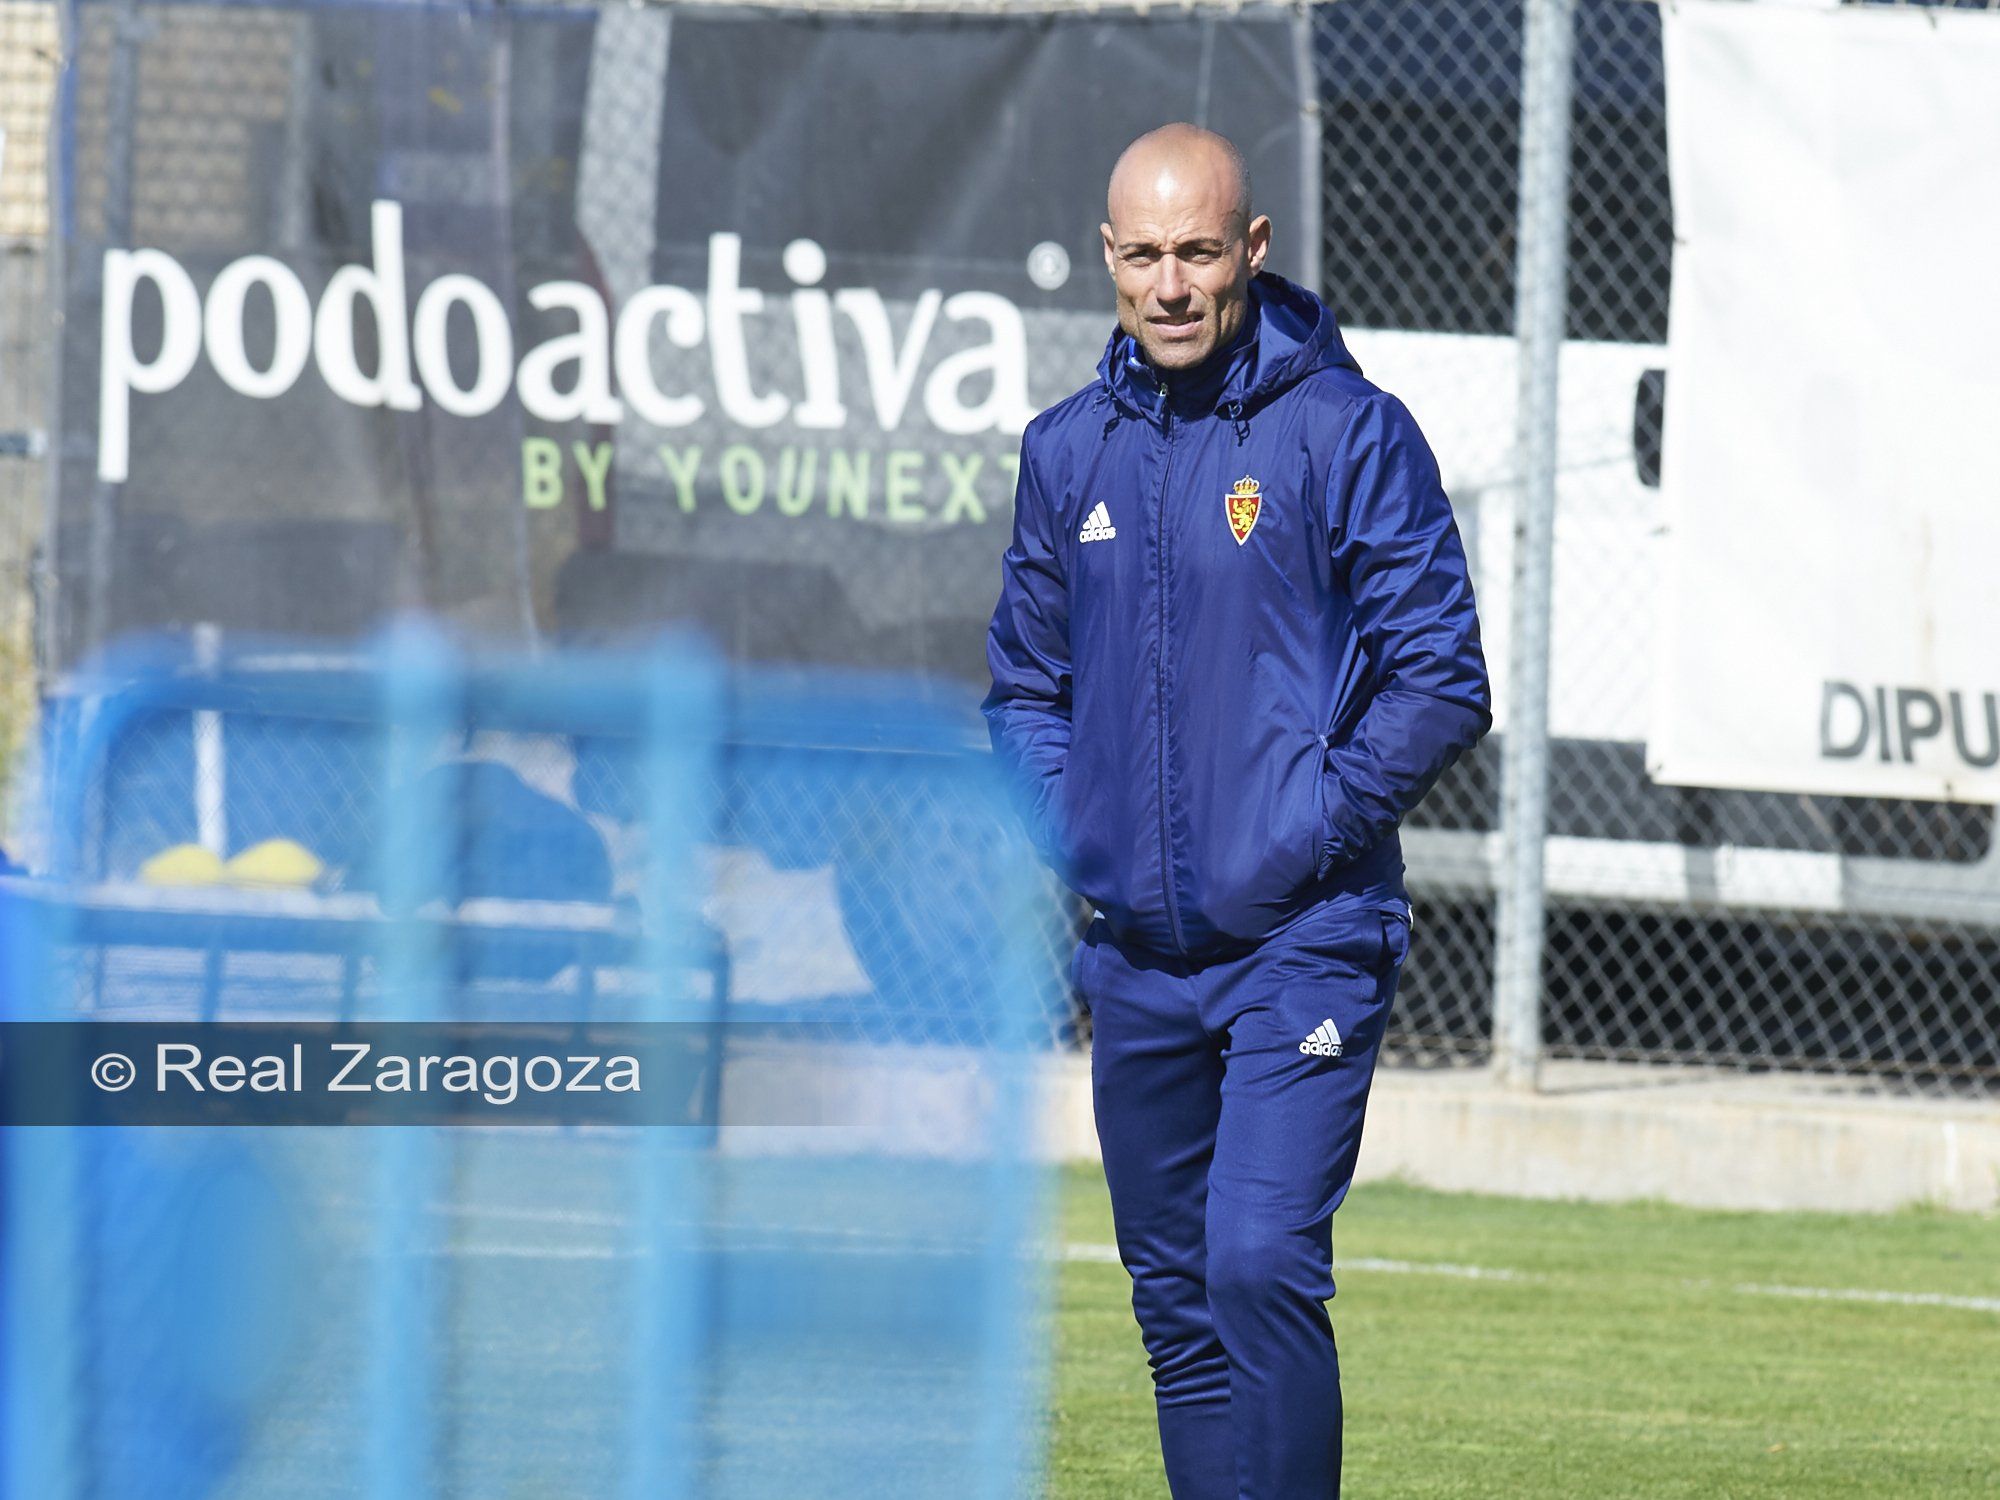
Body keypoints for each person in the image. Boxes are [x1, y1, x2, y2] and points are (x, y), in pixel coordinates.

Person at [982, 124, 1490, 1498]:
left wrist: (1304, 826)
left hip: (1304, 937)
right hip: (1136, 959)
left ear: (1252, 251)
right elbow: (1022, 687)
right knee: (1178, 1310)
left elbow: (1443, 678)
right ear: (1106, 257)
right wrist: (1075, 827)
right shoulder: (1064, 450)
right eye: (1141, 255)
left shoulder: (1346, 431)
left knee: (1257, 1261)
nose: (1168, 284)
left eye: (1197, 251)